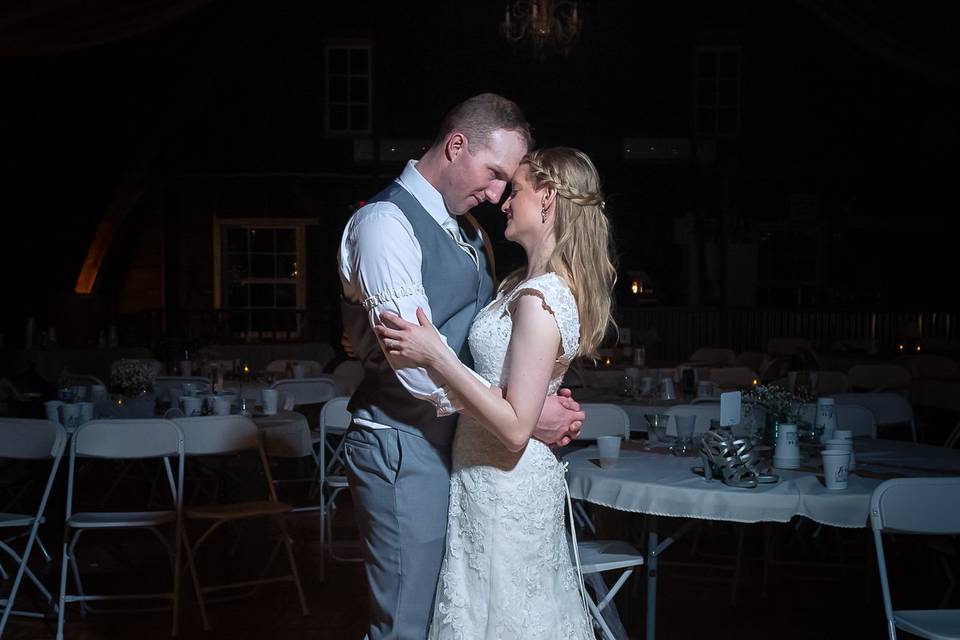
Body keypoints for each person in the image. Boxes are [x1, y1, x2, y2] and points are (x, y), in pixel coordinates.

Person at [338, 94, 585, 640]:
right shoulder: (385, 223)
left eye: (507, 184)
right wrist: (518, 414)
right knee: (408, 621)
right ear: (456, 146)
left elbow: (481, 350)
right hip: (402, 443)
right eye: (494, 174)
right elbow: (415, 368)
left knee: (455, 614)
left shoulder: (470, 231)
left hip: (463, 454)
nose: (497, 196)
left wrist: (522, 406)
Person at [377, 147, 616, 638]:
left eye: (518, 190)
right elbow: (514, 394)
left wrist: (436, 355)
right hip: (481, 482)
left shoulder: (541, 297)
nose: (504, 201)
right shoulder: (516, 285)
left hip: (507, 487)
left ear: (548, 198)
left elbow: (512, 428)